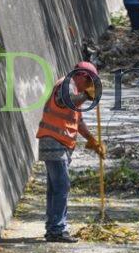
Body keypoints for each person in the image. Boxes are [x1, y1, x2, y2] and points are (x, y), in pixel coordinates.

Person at [36, 62, 107, 242]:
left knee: (55, 187)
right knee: (62, 185)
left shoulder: (75, 91)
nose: (90, 85)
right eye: (89, 81)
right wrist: (85, 95)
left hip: (60, 145)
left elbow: (78, 122)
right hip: (54, 142)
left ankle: (53, 227)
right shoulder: (67, 85)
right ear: (81, 75)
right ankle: (57, 229)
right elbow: (64, 100)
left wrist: (92, 140)